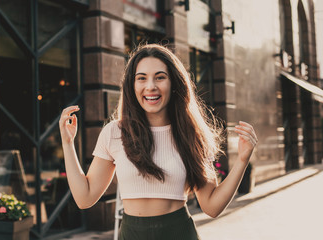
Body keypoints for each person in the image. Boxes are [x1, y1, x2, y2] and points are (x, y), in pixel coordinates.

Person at [59, 44, 258, 240]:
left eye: (160, 77)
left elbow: (212, 206)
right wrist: (68, 144)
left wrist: (242, 161)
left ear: (173, 84)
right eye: (141, 78)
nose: (150, 86)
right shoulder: (114, 133)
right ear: (132, 86)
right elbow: (84, 198)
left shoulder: (190, 135)